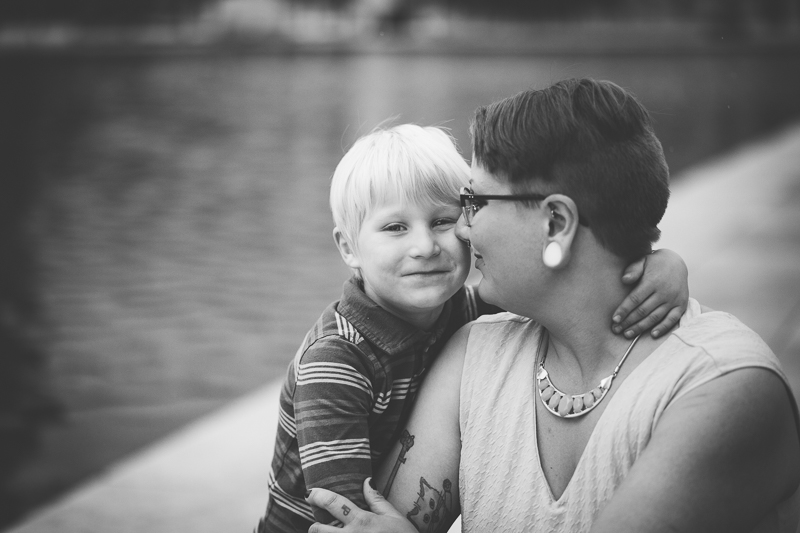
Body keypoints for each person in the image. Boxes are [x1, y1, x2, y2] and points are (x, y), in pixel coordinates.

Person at [305, 79, 800, 533]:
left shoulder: (722, 387)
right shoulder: (474, 353)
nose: (460, 230)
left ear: (556, 222)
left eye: (473, 204)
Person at [255, 123, 690, 532]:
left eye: (443, 221)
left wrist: (660, 263)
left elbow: (550, 288)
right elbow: (338, 513)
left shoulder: (456, 309)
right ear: (349, 247)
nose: (424, 247)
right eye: (395, 228)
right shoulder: (336, 360)